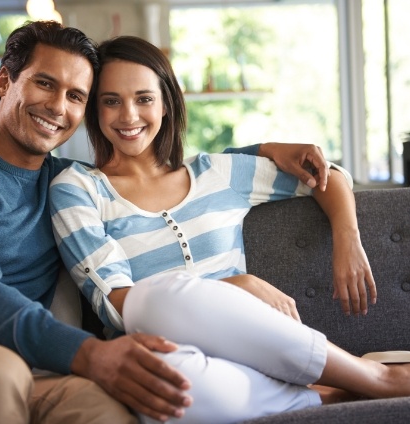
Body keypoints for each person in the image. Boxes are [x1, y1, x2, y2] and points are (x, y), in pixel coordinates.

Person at [0, 20, 337, 424]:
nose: (58, 107)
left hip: (20, 355)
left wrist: (268, 150)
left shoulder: (64, 183)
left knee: (107, 406)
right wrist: (90, 353)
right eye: (45, 83)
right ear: (5, 82)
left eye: (76, 96)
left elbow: (173, 180)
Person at [48, 35, 410, 424]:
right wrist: (233, 285)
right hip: (165, 353)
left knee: (156, 303)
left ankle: (377, 377)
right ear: (95, 110)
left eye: (144, 98)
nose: (129, 115)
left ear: (167, 103)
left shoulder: (215, 173)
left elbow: (326, 176)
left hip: (251, 344)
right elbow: (116, 303)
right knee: (157, 332)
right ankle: (325, 396)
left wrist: (347, 241)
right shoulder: (77, 189)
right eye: (111, 100)